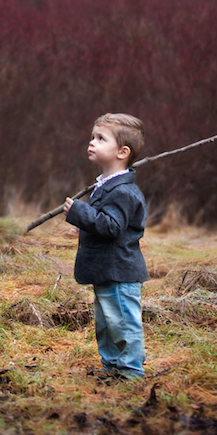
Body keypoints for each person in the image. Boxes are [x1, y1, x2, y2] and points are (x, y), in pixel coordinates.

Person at [62, 113, 148, 381]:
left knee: (122, 322)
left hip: (120, 272)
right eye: (92, 137)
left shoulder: (123, 191)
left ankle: (131, 371)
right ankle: (111, 366)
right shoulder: (106, 185)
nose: (92, 142)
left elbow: (112, 227)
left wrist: (79, 212)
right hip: (106, 271)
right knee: (107, 323)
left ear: (122, 152)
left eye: (101, 138)